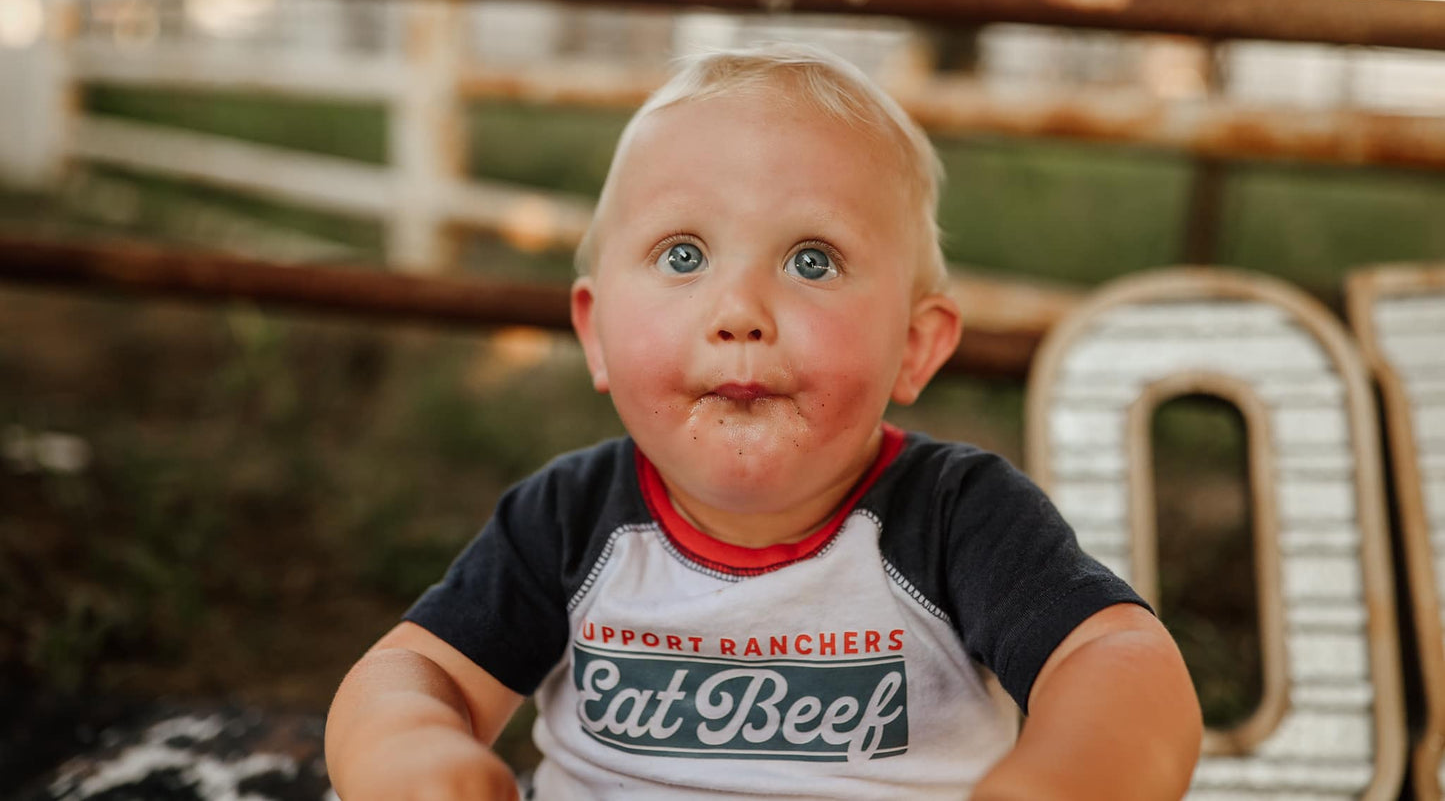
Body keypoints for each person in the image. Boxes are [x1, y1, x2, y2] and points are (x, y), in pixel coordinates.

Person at [325, 44, 1202, 800]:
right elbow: (418, 669)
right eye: (682, 255)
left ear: (913, 345)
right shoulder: (567, 519)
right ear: (595, 333)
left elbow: (1116, 657)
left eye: (811, 260)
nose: (738, 309)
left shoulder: (955, 519)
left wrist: (1069, 775)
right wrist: (411, 749)